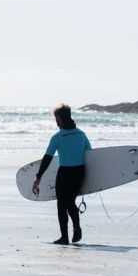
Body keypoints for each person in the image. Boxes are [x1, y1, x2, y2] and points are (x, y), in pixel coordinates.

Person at [32, 104, 92, 245]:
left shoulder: (58, 137)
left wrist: (38, 177)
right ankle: (76, 228)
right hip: (79, 172)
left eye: (55, 118)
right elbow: (90, 154)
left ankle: (64, 237)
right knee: (70, 202)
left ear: (59, 118)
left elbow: (47, 158)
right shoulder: (81, 134)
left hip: (65, 173)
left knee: (62, 204)